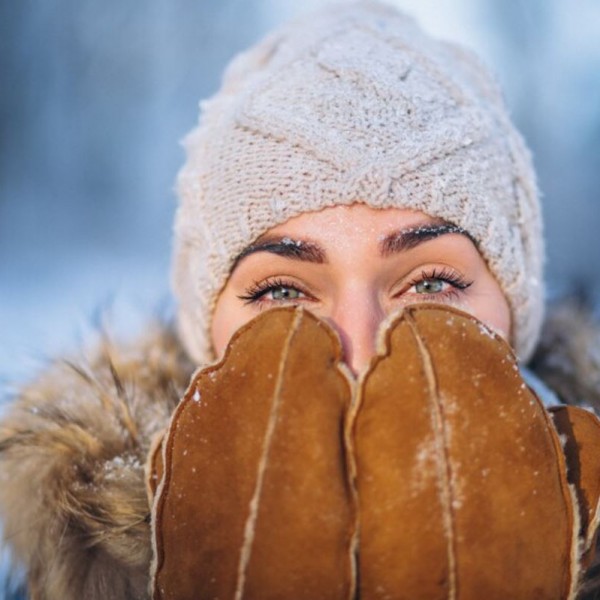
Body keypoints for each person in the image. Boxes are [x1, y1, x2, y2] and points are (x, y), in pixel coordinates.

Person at [1, 2, 599, 598]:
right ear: (204, 331)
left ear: (517, 316)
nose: (360, 354)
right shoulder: (84, 572)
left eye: (430, 285)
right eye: (282, 292)